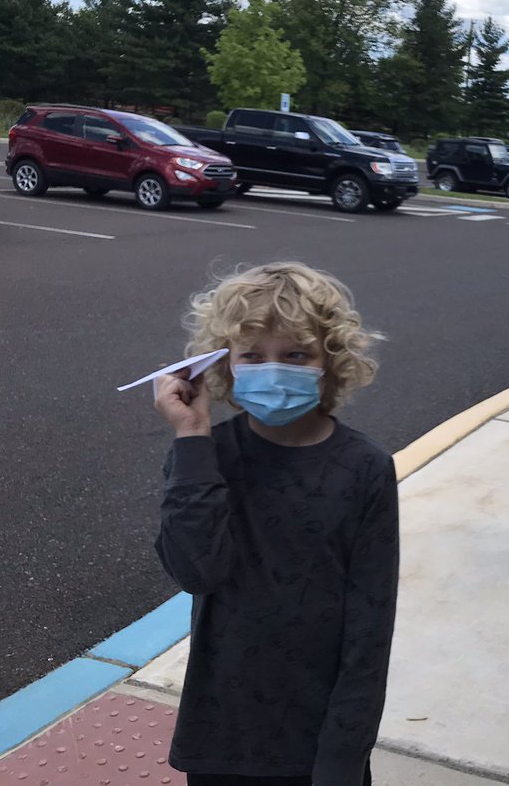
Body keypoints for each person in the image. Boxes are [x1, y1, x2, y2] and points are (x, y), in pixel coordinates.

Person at [152, 262, 398, 786]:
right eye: (253, 357)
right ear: (223, 364)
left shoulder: (365, 468)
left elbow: (370, 629)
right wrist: (191, 435)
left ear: (329, 362)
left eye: (295, 355)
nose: (274, 370)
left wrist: (344, 756)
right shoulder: (205, 455)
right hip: (222, 731)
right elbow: (197, 570)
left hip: (318, 736)